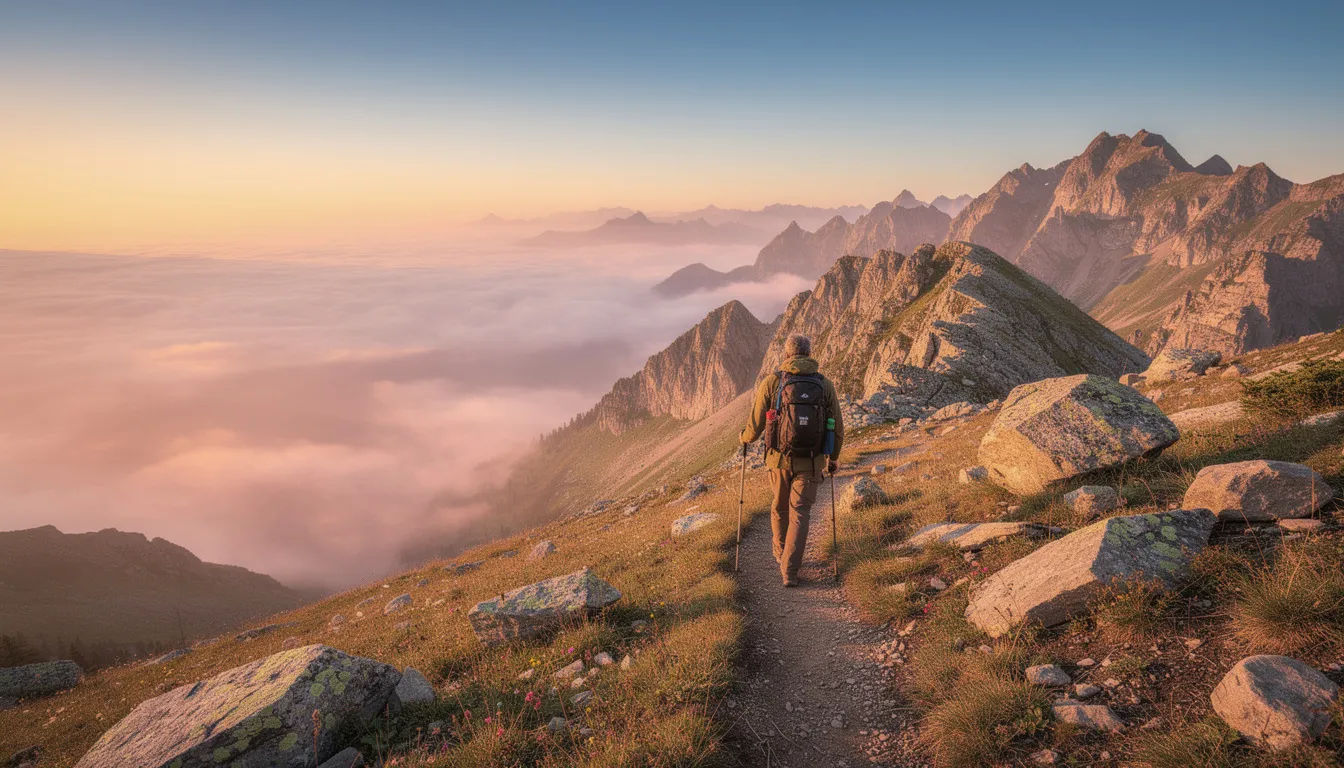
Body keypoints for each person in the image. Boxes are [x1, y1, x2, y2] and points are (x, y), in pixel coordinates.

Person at [740, 333, 844, 586]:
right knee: (801, 513)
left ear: (787, 354)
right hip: (812, 461)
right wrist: (833, 458)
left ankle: (781, 554)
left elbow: (756, 425)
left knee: (779, 507)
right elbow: (837, 427)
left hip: (778, 460)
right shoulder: (824, 383)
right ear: (809, 354)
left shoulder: (773, 382)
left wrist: (745, 437)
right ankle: (790, 570)